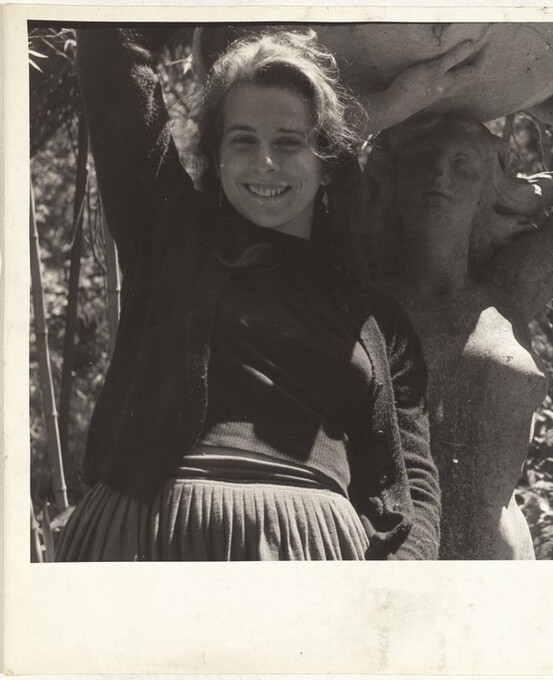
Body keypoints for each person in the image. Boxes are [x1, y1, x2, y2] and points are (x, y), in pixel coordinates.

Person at [56, 25, 478, 560]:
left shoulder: (381, 324)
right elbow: (110, 47)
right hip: (149, 535)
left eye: (289, 142)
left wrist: (393, 588)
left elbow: (414, 489)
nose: (265, 163)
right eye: (243, 141)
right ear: (217, 157)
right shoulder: (170, 240)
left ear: (326, 162)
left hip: (312, 553)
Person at [361, 75, 553, 558]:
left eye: (461, 165)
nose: (440, 177)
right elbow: (298, 164)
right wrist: (382, 105)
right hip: (387, 552)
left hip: (499, 557)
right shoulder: (359, 296)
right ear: (394, 181)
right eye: (422, 162)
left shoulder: (508, 289)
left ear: (487, 188)